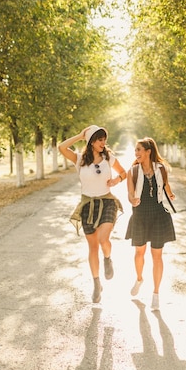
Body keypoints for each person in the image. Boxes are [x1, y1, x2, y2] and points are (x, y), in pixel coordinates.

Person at [59, 125, 127, 303]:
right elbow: (62, 147)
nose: (103, 143)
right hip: (88, 205)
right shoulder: (80, 159)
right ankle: (97, 283)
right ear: (91, 142)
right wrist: (80, 135)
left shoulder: (108, 158)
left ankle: (108, 259)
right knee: (92, 247)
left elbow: (124, 173)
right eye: (99, 139)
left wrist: (116, 179)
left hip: (107, 202)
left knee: (104, 239)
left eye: (104, 139)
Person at [125, 137, 176, 311]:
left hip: (159, 215)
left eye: (139, 150)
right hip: (140, 215)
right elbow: (130, 194)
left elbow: (167, 187)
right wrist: (133, 200)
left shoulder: (161, 169)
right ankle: (139, 278)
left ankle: (156, 294)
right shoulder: (132, 171)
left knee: (157, 255)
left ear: (148, 151)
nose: (136, 153)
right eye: (135, 150)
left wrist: (171, 195)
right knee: (140, 252)